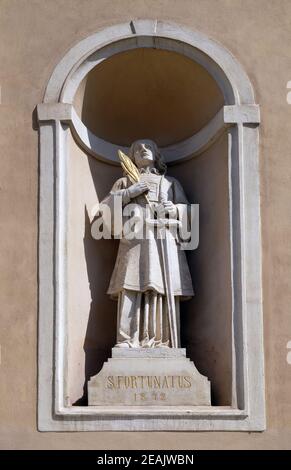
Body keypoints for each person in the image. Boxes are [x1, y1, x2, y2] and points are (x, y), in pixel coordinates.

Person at [100, 139, 194, 348]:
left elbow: (190, 214)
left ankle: (163, 340)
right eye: (137, 148)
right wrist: (131, 192)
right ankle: (127, 340)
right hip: (135, 242)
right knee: (130, 283)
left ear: (157, 154)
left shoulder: (170, 183)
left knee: (160, 287)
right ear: (131, 158)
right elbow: (106, 211)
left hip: (164, 241)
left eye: (148, 146)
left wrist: (174, 209)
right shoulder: (124, 183)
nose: (143, 150)